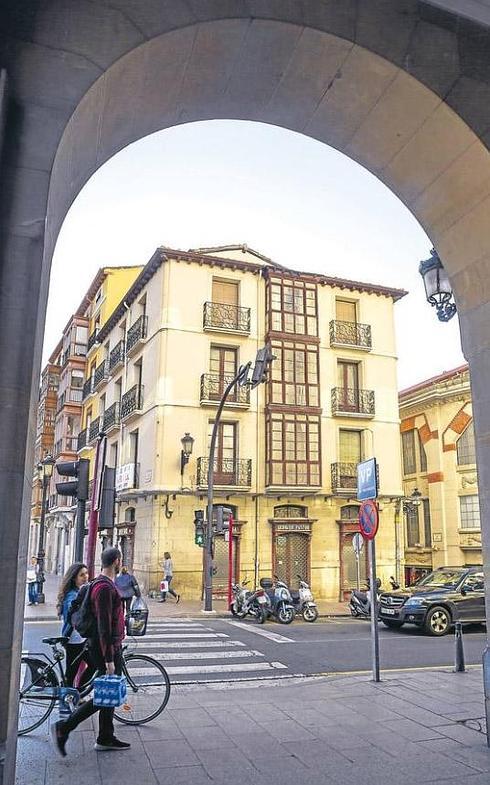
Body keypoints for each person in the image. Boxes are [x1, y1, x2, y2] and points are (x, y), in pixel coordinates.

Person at [51, 547, 130, 756]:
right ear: (117, 561)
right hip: (105, 647)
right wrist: (109, 659)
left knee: (109, 692)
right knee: (106, 693)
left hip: (104, 646)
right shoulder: (104, 588)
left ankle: (106, 736)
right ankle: (65, 727)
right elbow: (104, 626)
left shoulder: (97, 584)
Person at [56, 562, 95, 688]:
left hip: (81, 639)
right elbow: (72, 615)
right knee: (70, 674)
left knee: (93, 665)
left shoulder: (80, 592)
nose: (86, 577)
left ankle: (78, 692)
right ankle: (65, 702)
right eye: (81, 575)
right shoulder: (72, 595)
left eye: (86, 573)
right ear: (74, 578)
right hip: (73, 641)